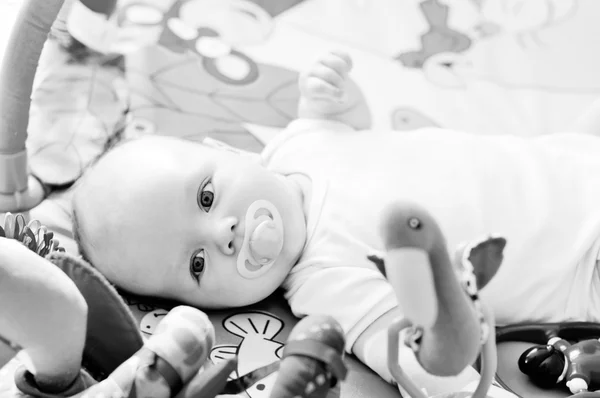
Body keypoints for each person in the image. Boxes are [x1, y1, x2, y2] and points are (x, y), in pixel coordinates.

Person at [72, 50, 600, 395]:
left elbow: (353, 130)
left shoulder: (299, 142)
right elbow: (416, 361)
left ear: (226, 150)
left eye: (207, 196)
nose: (224, 233)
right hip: (581, 269)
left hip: (573, 162)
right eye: (197, 262)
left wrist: (332, 99)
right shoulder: (324, 285)